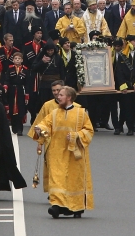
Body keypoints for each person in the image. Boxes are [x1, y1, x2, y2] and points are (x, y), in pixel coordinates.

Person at [31, 85, 93, 219]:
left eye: (61, 95)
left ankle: (76, 207)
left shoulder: (81, 113)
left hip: (74, 154)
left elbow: (89, 131)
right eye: (58, 95)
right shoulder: (54, 113)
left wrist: (76, 135)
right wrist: (39, 129)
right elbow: (45, 125)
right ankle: (56, 206)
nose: (58, 97)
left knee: (73, 181)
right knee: (57, 179)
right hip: (56, 153)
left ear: (69, 97)